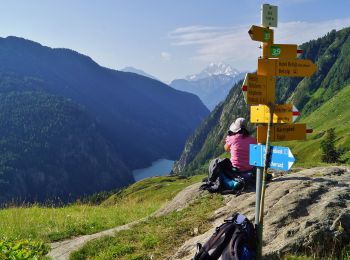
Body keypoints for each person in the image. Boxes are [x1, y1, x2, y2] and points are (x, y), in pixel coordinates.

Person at [221, 117, 257, 191]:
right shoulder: (253, 139)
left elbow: (226, 148)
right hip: (250, 169)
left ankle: (232, 183)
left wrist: (228, 138)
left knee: (219, 167)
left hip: (236, 170)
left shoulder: (232, 138)